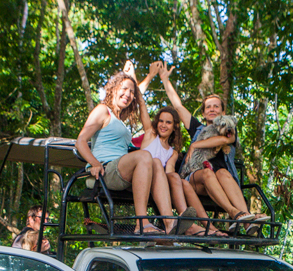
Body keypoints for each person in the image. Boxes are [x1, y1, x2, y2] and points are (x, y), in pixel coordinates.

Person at [160, 65, 268, 234]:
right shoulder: (197, 128)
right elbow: (178, 107)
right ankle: (235, 213)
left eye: (216, 106)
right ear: (203, 113)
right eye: (208, 107)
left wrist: (195, 145)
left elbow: (227, 139)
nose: (212, 109)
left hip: (220, 183)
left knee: (222, 173)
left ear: (223, 112)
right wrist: (165, 79)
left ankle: (246, 219)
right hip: (197, 178)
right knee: (209, 173)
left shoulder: (229, 128)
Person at [75, 63, 179, 236]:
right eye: (124, 89)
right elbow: (80, 141)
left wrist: (145, 78)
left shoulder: (120, 119)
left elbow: (138, 96)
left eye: (132, 92)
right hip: (107, 169)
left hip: (124, 172)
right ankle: (142, 223)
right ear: (113, 89)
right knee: (145, 156)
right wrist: (94, 163)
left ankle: (169, 222)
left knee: (155, 161)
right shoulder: (103, 111)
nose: (128, 94)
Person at [139, 103, 227, 238]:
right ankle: (190, 225)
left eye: (168, 122)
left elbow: (169, 173)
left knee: (181, 181)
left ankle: (204, 224)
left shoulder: (172, 152)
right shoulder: (151, 135)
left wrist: (174, 180)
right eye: (161, 121)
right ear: (156, 123)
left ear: (174, 127)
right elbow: (143, 110)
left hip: (160, 182)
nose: (163, 125)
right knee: (163, 169)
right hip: (144, 177)